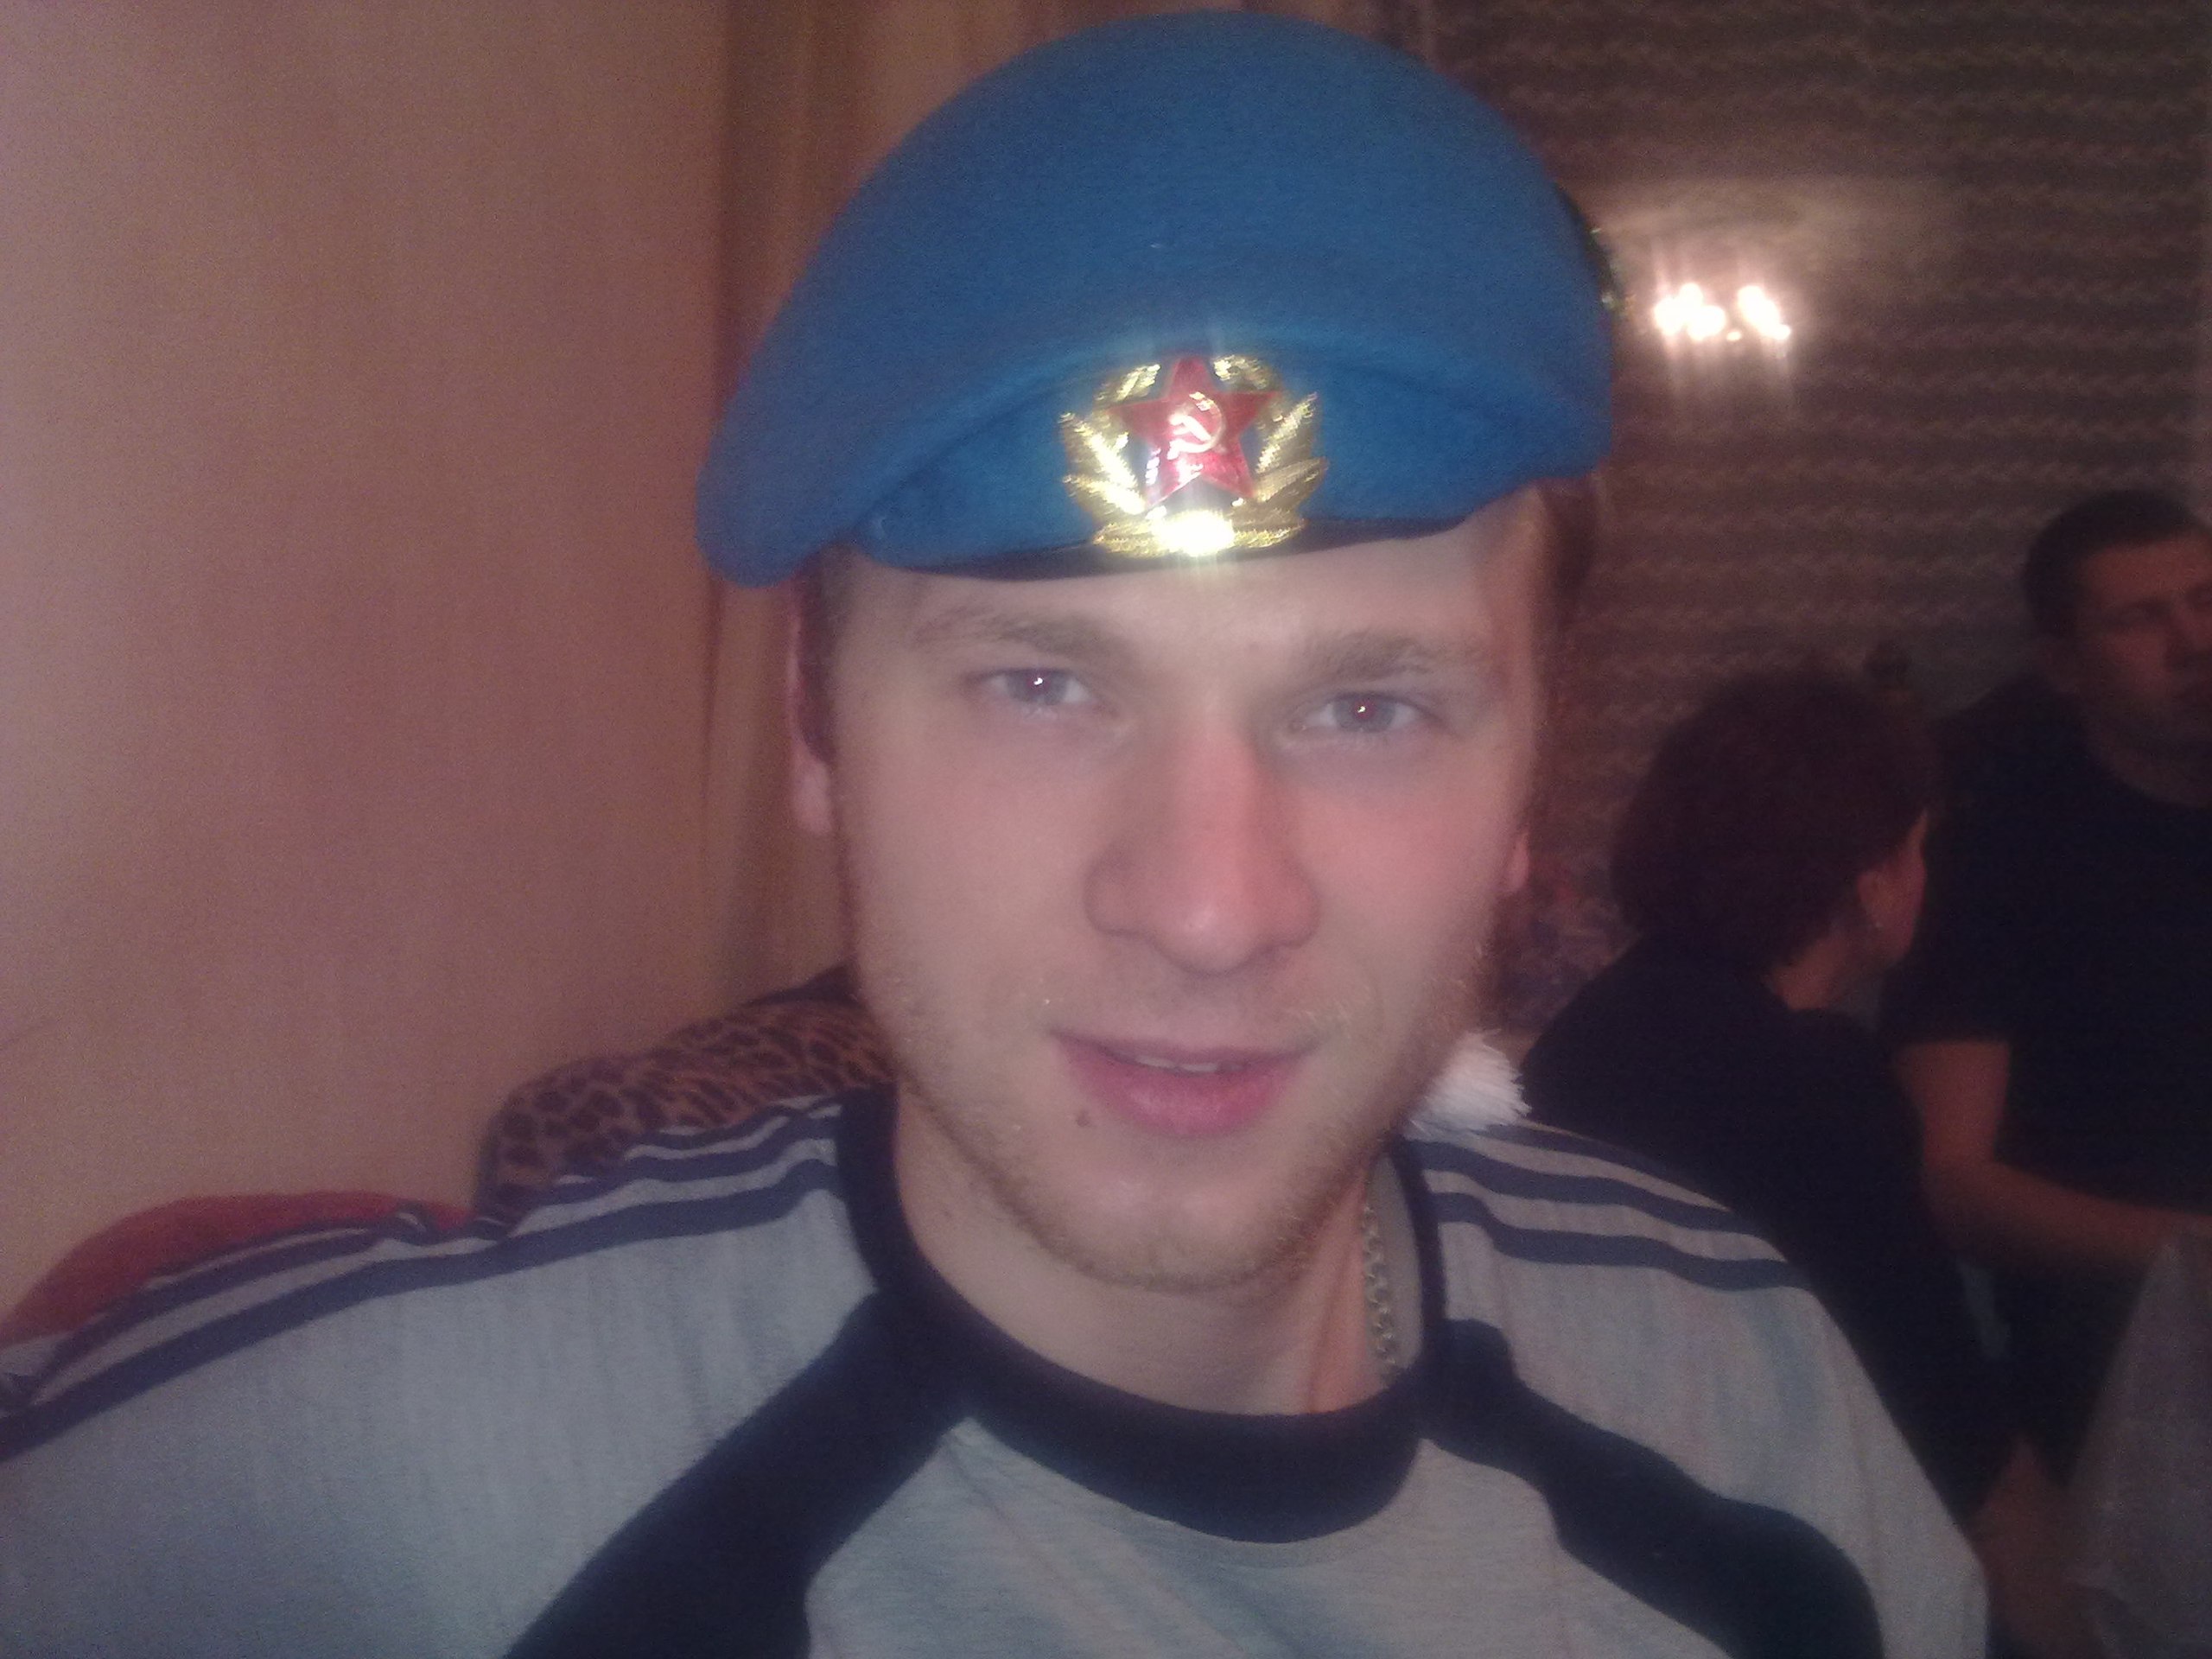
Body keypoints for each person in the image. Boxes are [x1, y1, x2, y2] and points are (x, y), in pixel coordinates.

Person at [0, 16, 1980, 1656]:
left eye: (1366, 707)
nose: (1206, 907)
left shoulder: (1748, 1391)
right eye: (1040, 682)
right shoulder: (375, 1493)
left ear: (1527, 776)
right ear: (812, 725)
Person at [1521, 670, 2081, 1656]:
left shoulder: (1600, 1024)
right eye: (1916, 849)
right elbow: (1951, 1436)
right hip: (1750, 1571)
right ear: (1871, 886)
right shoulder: (1811, 1083)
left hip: (1596, 1546)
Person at [1885, 489, 2212, 1478]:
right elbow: (1952, 1184)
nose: (2193, 644)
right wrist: (2190, 1251)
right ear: (2064, 667)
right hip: (2130, 1342)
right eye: (2138, 619)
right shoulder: (2001, 856)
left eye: (2206, 601)